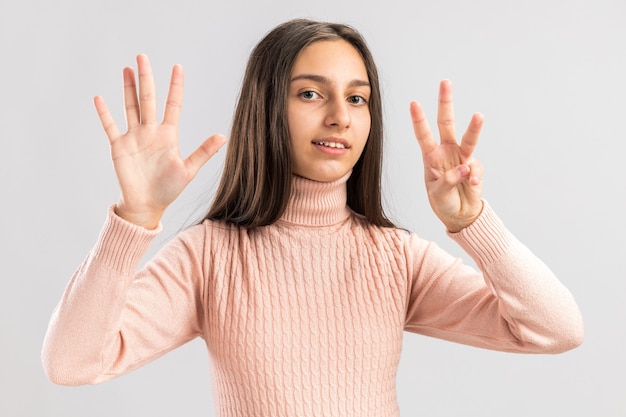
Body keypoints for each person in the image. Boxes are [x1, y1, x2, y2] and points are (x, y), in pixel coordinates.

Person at [42, 18, 584, 416]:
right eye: (310, 93)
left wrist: (475, 226)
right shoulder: (208, 255)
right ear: (266, 107)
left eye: (357, 98)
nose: (339, 117)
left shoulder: (393, 257)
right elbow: (71, 363)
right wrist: (134, 218)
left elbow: (556, 330)